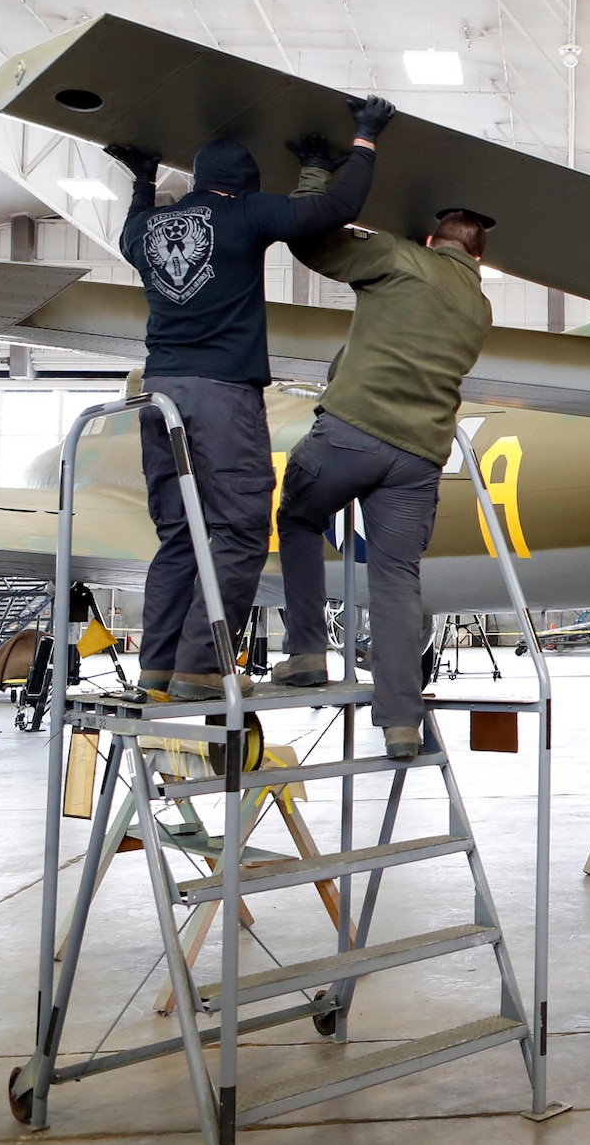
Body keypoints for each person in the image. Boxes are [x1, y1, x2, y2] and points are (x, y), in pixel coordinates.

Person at [107, 94, 395, 702]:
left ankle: (158, 669)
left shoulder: (150, 231)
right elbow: (336, 208)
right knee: (239, 529)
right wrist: (365, 138)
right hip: (220, 392)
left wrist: (142, 176)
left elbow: (133, 222)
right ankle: (201, 669)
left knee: (180, 535)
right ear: (242, 189)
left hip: (157, 395)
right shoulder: (243, 215)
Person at [275, 196, 494, 760]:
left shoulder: (399, 259)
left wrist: (319, 179)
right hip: (420, 456)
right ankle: (401, 721)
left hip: (352, 433)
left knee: (297, 517)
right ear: (478, 257)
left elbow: (311, 242)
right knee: (397, 580)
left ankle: (306, 653)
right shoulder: (480, 307)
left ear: (430, 242)